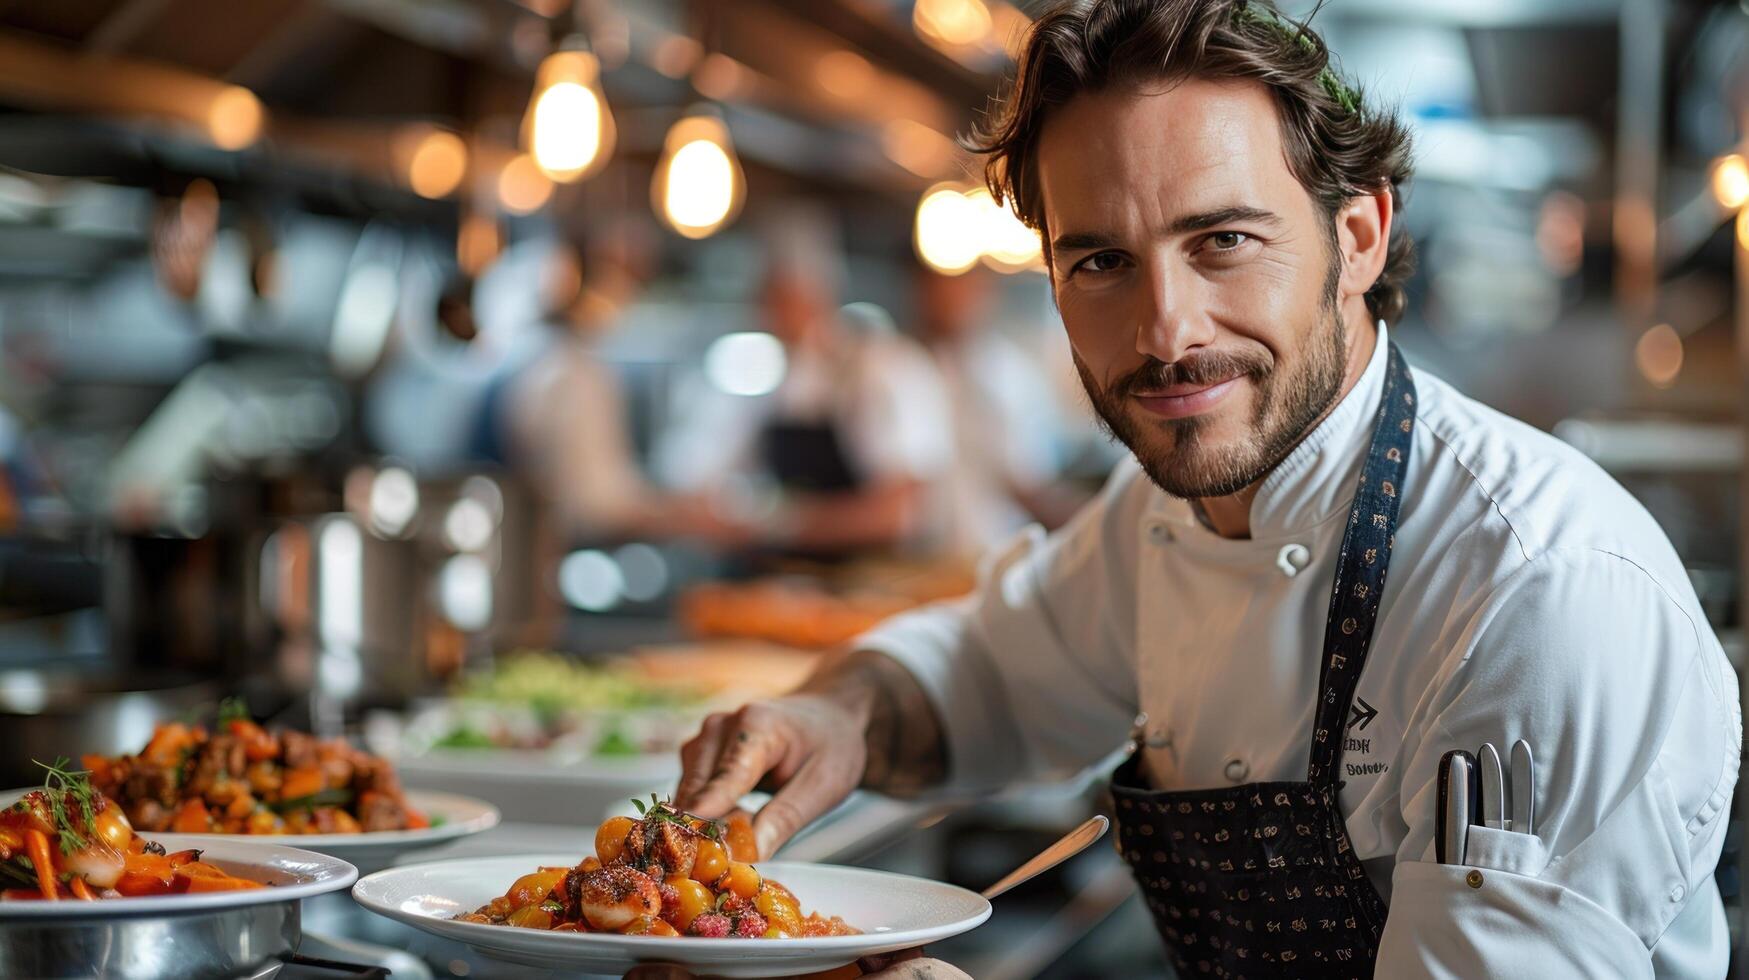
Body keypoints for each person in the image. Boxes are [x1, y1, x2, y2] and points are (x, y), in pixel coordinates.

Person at [666, 2, 1741, 977]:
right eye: (1099, 262)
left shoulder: (1535, 596)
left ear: (1358, 234)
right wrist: (839, 713)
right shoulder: (1166, 512)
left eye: (1223, 240)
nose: (1165, 331)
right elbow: (991, 669)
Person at [658, 226, 954, 559]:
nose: (774, 314)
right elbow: (705, 475)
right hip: (790, 580)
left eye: (787, 298)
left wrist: (785, 525)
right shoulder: (771, 375)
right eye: (767, 299)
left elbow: (900, 513)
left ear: (821, 295)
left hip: (878, 580)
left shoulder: (885, 369)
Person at [913, 262, 1087, 555]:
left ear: (985, 293)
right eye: (936, 288)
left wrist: (1091, 519)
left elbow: (1027, 481)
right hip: (923, 552)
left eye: (959, 288)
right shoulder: (911, 364)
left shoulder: (1009, 374)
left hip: (997, 549)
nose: (946, 299)